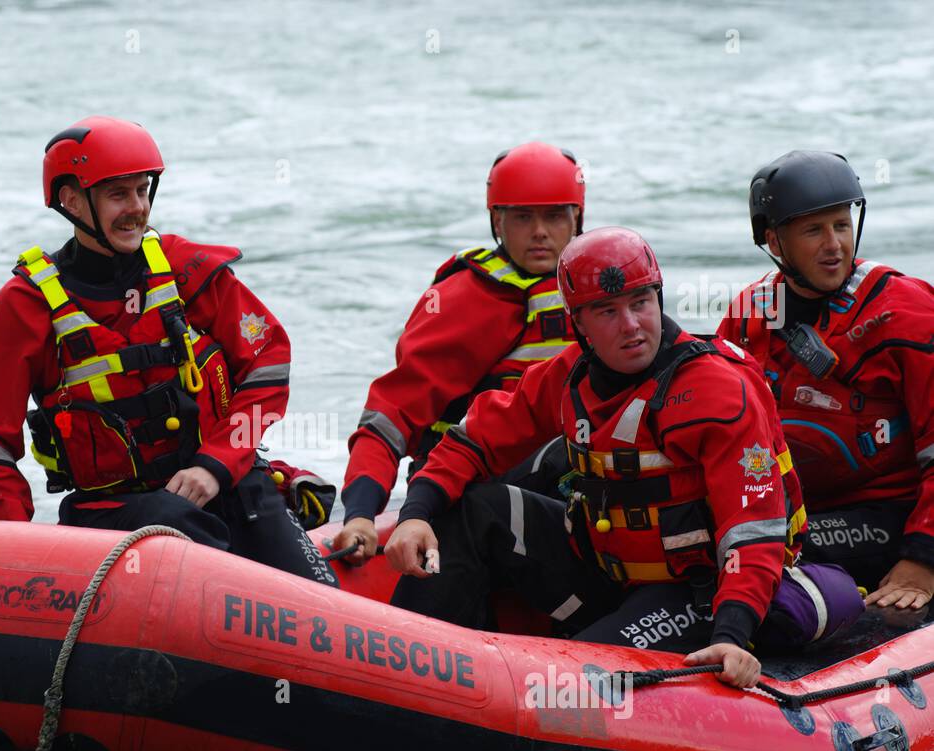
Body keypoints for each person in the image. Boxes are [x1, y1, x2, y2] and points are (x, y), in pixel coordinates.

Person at [384, 227, 812, 688]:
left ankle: (490, 699)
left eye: (641, 303)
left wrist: (733, 633)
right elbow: (474, 440)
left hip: (697, 596)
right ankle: (400, 674)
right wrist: (415, 514)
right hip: (604, 573)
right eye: (607, 311)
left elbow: (752, 531)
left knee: (571, 681)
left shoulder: (717, 391)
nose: (630, 325)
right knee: (473, 509)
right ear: (579, 324)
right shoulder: (569, 376)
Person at [0, 116, 337, 588]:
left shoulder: (187, 269)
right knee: (183, 535)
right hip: (113, 512)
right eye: (119, 195)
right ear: (71, 201)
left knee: (314, 593)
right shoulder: (21, 308)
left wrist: (216, 464)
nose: (137, 208)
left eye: (143, 191)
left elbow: (268, 361)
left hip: (225, 478)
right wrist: (12, 548)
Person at [332, 143, 585, 564]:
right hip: (469, 486)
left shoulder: (602, 293)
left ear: (578, 218)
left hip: (563, 491)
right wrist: (360, 511)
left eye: (555, 215)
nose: (540, 231)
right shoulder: (471, 297)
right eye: (523, 217)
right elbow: (392, 412)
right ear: (497, 222)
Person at [718, 151, 934, 612]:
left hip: (886, 518)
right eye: (814, 231)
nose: (834, 244)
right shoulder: (748, 315)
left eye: (841, 224)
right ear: (774, 241)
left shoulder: (906, 314)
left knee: (764, 556)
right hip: (788, 510)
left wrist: (923, 559)